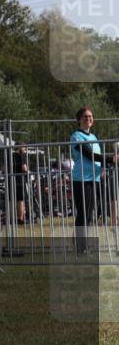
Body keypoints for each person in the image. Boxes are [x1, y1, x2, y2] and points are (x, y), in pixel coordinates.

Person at [70, 107, 116, 253]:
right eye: (85, 116)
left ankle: (80, 243)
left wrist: (104, 167)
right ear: (79, 120)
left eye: (90, 116)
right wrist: (110, 159)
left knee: (90, 213)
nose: (88, 118)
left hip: (95, 179)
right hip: (82, 179)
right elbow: (88, 154)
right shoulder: (76, 136)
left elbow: (98, 156)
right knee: (84, 213)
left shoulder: (94, 137)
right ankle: (80, 247)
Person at [11, 144, 30, 225]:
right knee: (21, 200)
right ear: (19, 147)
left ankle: (14, 218)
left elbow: (3, 168)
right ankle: (20, 219)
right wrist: (28, 171)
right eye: (24, 147)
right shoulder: (22, 156)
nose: (25, 149)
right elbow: (24, 168)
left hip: (11, 180)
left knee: (14, 200)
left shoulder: (10, 156)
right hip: (20, 180)